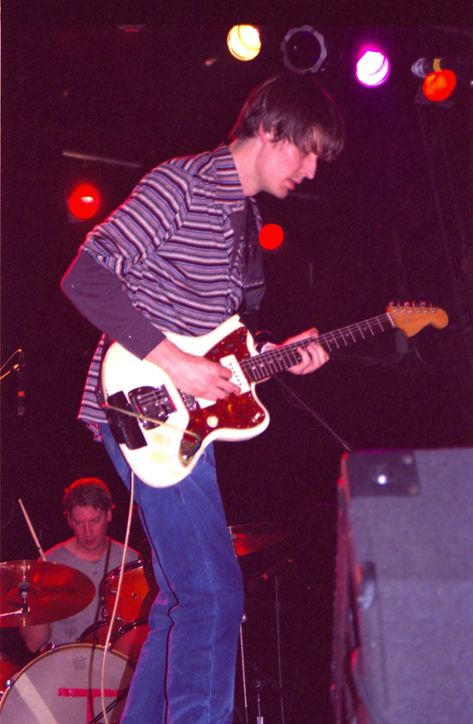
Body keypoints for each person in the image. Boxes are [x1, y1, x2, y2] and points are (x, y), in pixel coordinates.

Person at [61, 72, 345, 722]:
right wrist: (176, 364)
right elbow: (86, 274)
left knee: (182, 599)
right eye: (303, 150)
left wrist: (280, 351)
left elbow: (222, 339)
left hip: (188, 421)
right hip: (142, 404)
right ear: (268, 130)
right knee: (214, 593)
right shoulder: (183, 183)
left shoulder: (242, 220)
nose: (308, 169)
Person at [20, 477, 139, 653]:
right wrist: (41, 604)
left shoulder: (130, 559)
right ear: (69, 520)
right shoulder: (49, 565)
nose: (88, 531)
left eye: (94, 521)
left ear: (108, 515)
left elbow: (141, 630)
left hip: (114, 663)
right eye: (79, 522)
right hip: (64, 664)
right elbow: (34, 644)